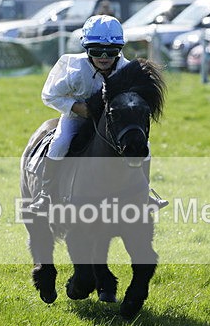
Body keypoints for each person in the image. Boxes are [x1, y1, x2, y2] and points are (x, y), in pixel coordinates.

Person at [28, 15, 167, 213]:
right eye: (96, 51)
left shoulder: (127, 69)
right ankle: (46, 194)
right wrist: (76, 107)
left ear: (119, 51)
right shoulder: (72, 68)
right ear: (86, 49)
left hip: (113, 120)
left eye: (111, 52)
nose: (103, 57)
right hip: (77, 117)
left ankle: (144, 194)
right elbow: (49, 95)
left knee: (144, 145)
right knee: (60, 142)